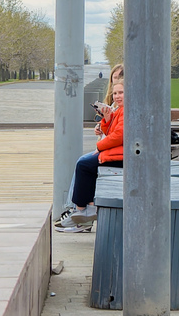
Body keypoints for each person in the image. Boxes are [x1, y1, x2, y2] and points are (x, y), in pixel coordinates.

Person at [54, 64, 126, 232]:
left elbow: (119, 135)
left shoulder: (126, 110)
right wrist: (106, 120)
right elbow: (113, 131)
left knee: (84, 165)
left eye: (121, 92)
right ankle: (83, 210)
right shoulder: (120, 109)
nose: (116, 96)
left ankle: (81, 211)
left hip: (120, 155)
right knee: (84, 163)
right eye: (115, 92)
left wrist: (100, 146)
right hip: (116, 152)